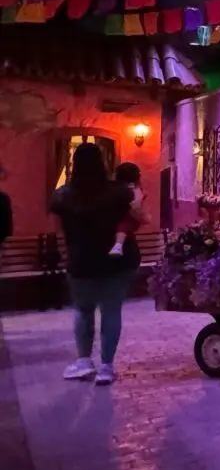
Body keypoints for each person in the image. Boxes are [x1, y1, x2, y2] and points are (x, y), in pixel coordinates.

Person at [50, 143, 138, 385]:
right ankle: (106, 367)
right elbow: (136, 215)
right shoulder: (119, 192)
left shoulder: (63, 194)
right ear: (103, 163)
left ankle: (83, 362)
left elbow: (57, 232)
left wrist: (67, 253)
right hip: (116, 261)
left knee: (82, 310)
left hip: (81, 262)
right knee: (111, 312)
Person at [109, 162, 148, 256]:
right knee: (123, 227)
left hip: (120, 227)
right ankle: (118, 246)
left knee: (122, 228)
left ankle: (118, 246)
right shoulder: (135, 189)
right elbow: (138, 207)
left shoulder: (113, 190)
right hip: (129, 237)